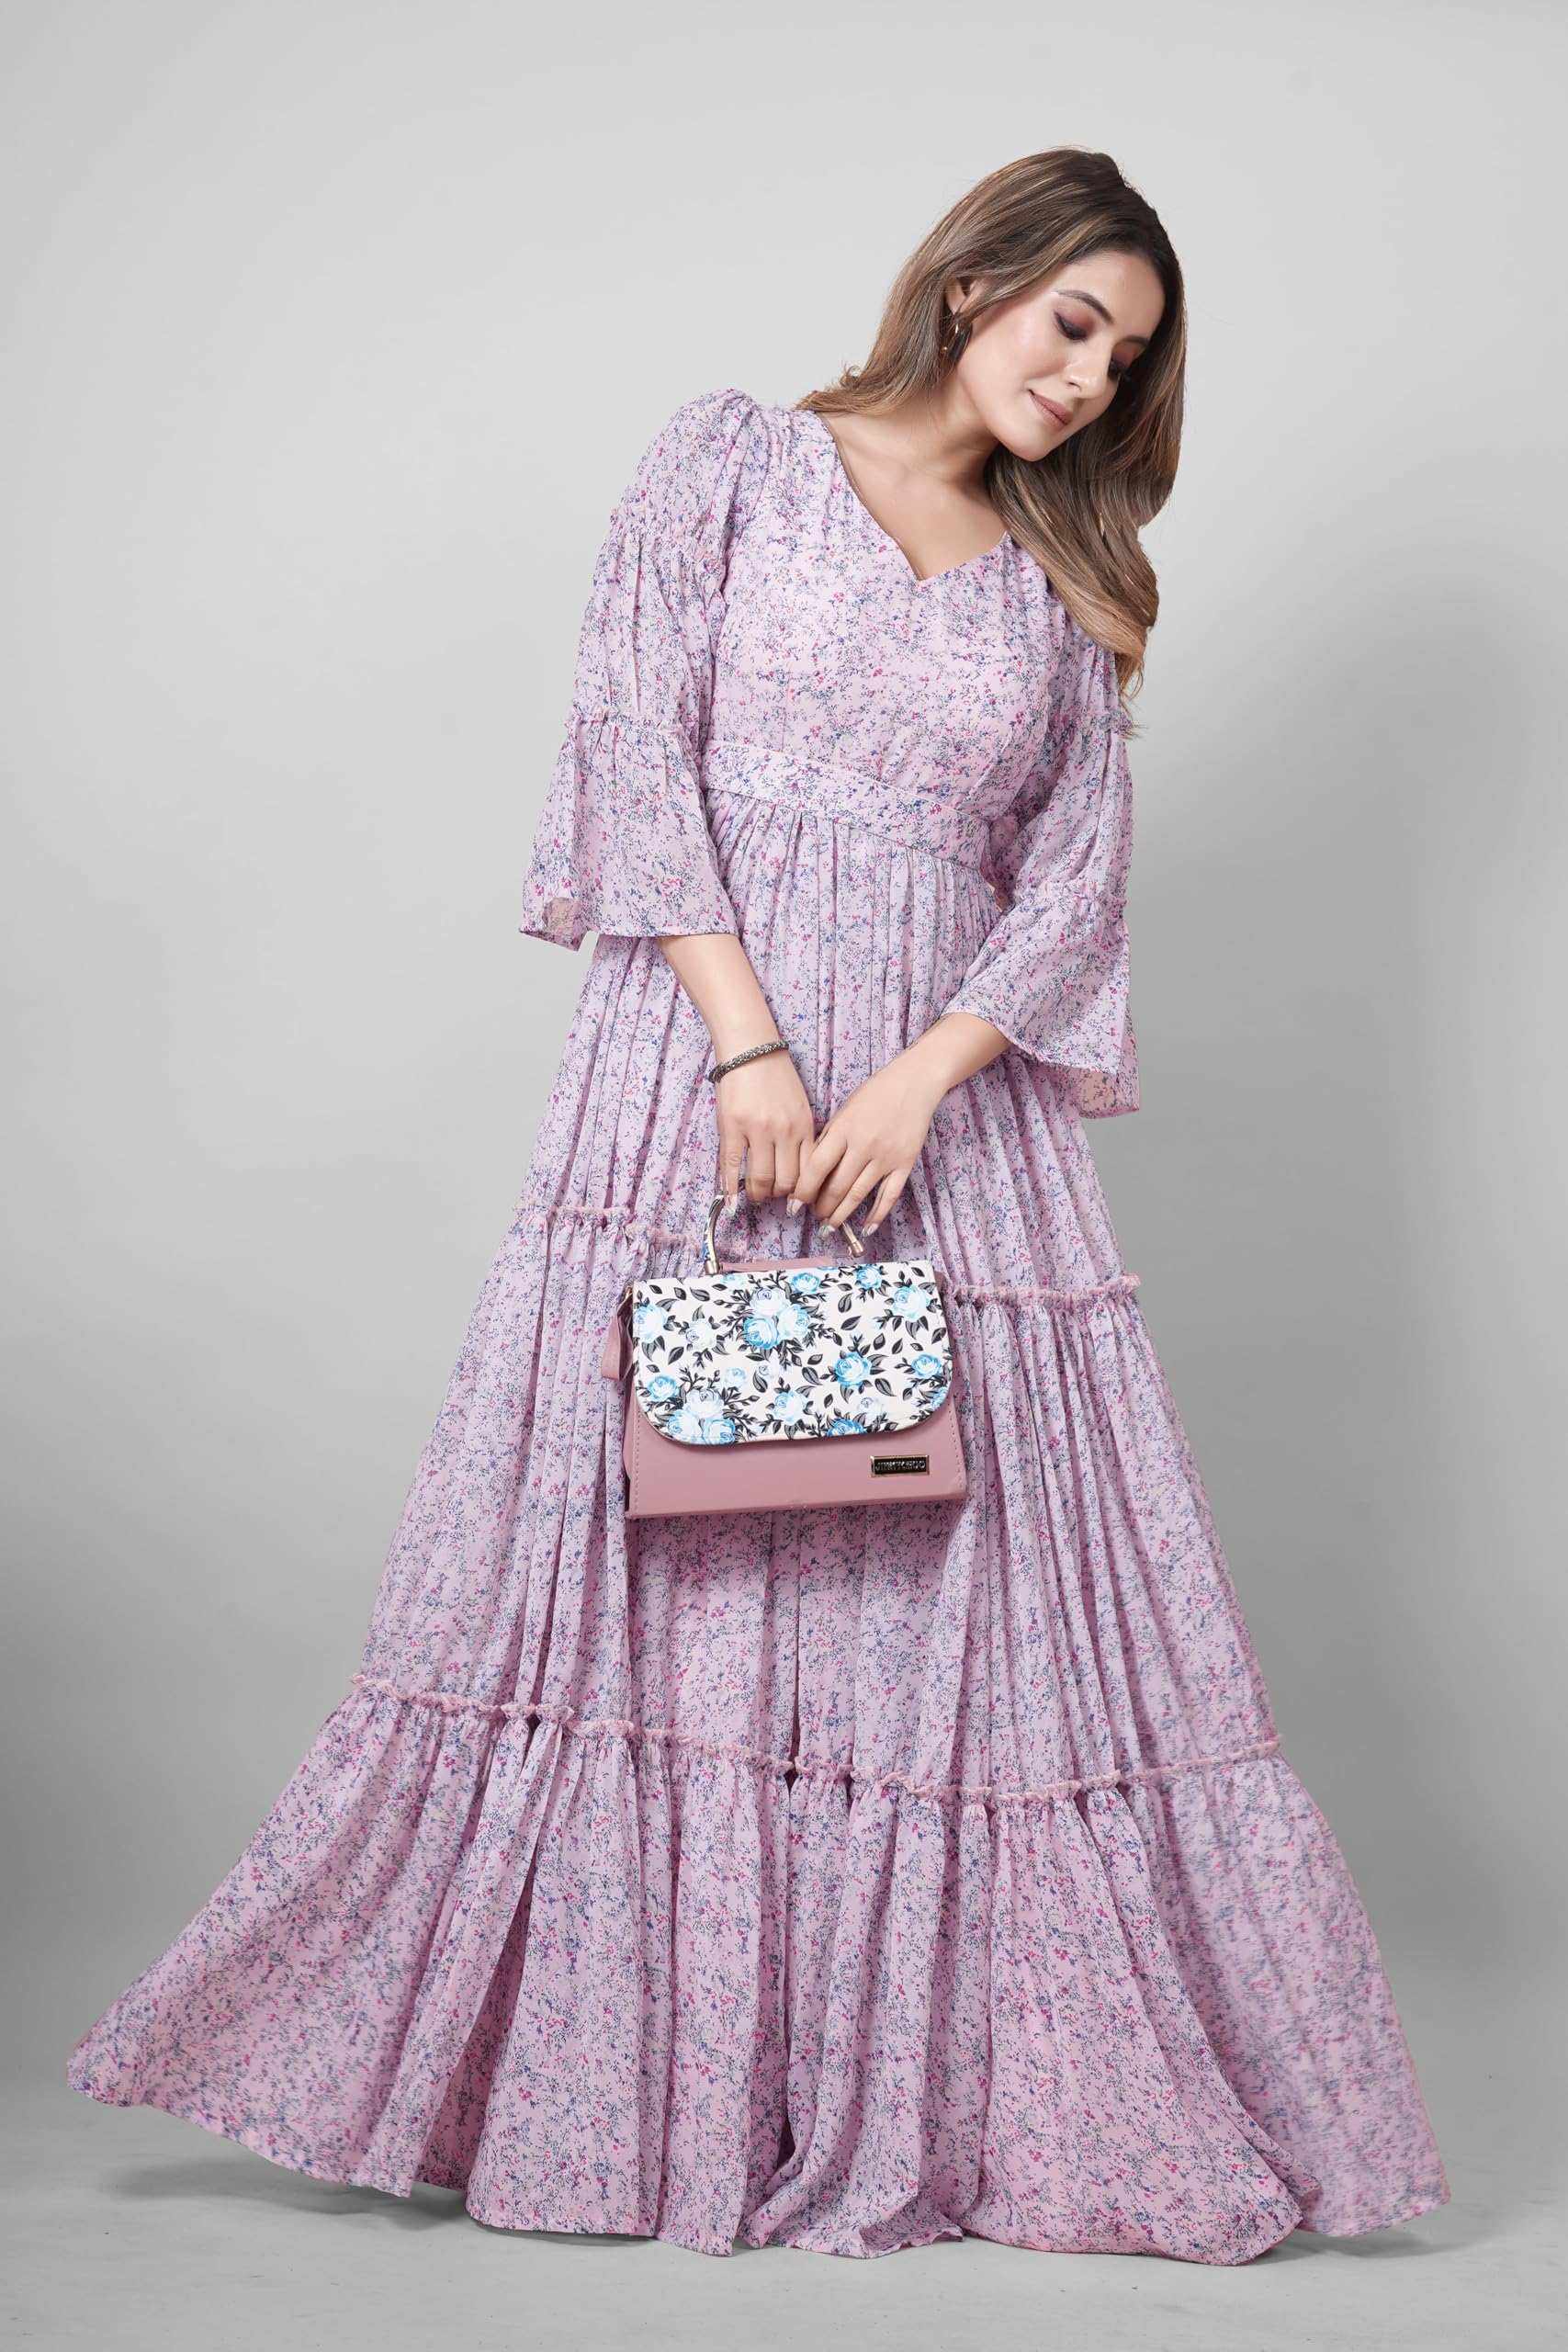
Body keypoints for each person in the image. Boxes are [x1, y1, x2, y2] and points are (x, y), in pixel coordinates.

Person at [67, 148, 1450, 2262]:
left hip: (937, 1134)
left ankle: (918, 2089)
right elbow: (634, 746)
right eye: (1072, 321)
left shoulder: (1056, 586)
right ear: (973, 283)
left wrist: (913, 1076)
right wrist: (749, 1048)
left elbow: (1073, 878)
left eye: (1125, 358)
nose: (1087, 378)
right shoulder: (725, 461)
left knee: (929, 1593)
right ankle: (638, 2092)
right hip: (697, 1087)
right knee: (676, 1564)